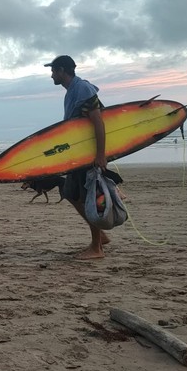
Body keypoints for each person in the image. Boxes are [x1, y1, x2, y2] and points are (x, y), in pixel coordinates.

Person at [44, 55, 108, 259]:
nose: (51, 74)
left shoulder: (82, 89)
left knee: (88, 197)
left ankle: (96, 248)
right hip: (77, 154)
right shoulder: (72, 91)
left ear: (62, 70)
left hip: (88, 154)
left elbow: (98, 122)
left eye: (53, 70)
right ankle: (101, 237)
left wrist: (100, 155)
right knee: (71, 194)